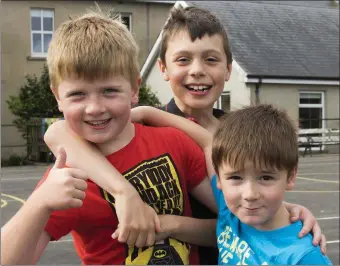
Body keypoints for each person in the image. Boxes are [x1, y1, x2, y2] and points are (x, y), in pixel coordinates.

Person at [43, 5, 326, 265]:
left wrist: (291, 211)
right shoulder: (145, 129)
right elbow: (58, 132)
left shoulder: (242, 132)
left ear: (229, 69)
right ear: (163, 68)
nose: (197, 71)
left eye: (211, 59)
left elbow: (250, 197)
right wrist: (124, 191)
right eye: (183, 59)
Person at [1, 10, 219, 265]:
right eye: (77, 95)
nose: (94, 107)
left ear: (135, 89)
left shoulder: (174, 142)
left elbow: (236, 222)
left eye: (109, 91)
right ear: (57, 97)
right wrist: (38, 203)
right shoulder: (68, 177)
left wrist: (172, 225)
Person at [128, 105, 332, 265]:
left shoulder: (303, 255)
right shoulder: (229, 210)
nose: (249, 194)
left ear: (290, 176)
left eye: (266, 178)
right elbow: (207, 142)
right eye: (236, 178)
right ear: (219, 177)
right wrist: (148, 112)